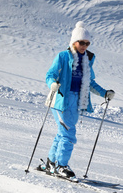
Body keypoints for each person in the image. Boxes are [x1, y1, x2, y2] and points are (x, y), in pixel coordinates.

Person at [43, 21, 115, 179]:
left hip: (77, 102)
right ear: (74, 41)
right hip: (61, 99)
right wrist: (53, 84)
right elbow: (50, 75)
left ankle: (51, 162)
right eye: (82, 42)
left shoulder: (87, 60)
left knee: (63, 133)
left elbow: (90, 83)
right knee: (68, 133)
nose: (84, 46)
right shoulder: (63, 56)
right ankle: (61, 166)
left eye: (87, 43)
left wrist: (104, 93)